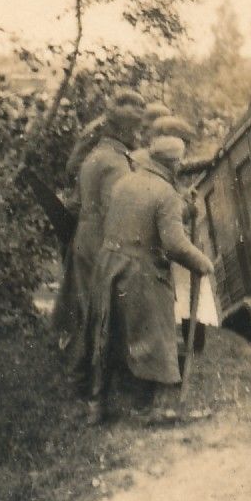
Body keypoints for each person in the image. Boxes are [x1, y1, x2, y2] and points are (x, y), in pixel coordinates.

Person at [86, 134, 214, 424]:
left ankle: (97, 405)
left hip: (109, 263)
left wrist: (184, 208)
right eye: (179, 163)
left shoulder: (125, 181)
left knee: (107, 335)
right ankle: (146, 409)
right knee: (151, 337)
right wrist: (202, 263)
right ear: (173, 165)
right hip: (140, 272)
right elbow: (175, 245)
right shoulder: (165, 194)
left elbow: (142, 214)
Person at [53, 99, 143, 374]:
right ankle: (99, 373)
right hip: (103, 240)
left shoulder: (94, 155)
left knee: (86, 305)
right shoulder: (115, 163)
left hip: (84, 236)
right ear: (124, 130)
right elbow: (118, 209)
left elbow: (78, 200)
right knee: (106, 306)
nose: (138, 136)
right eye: (135, 129)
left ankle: (81, 367)